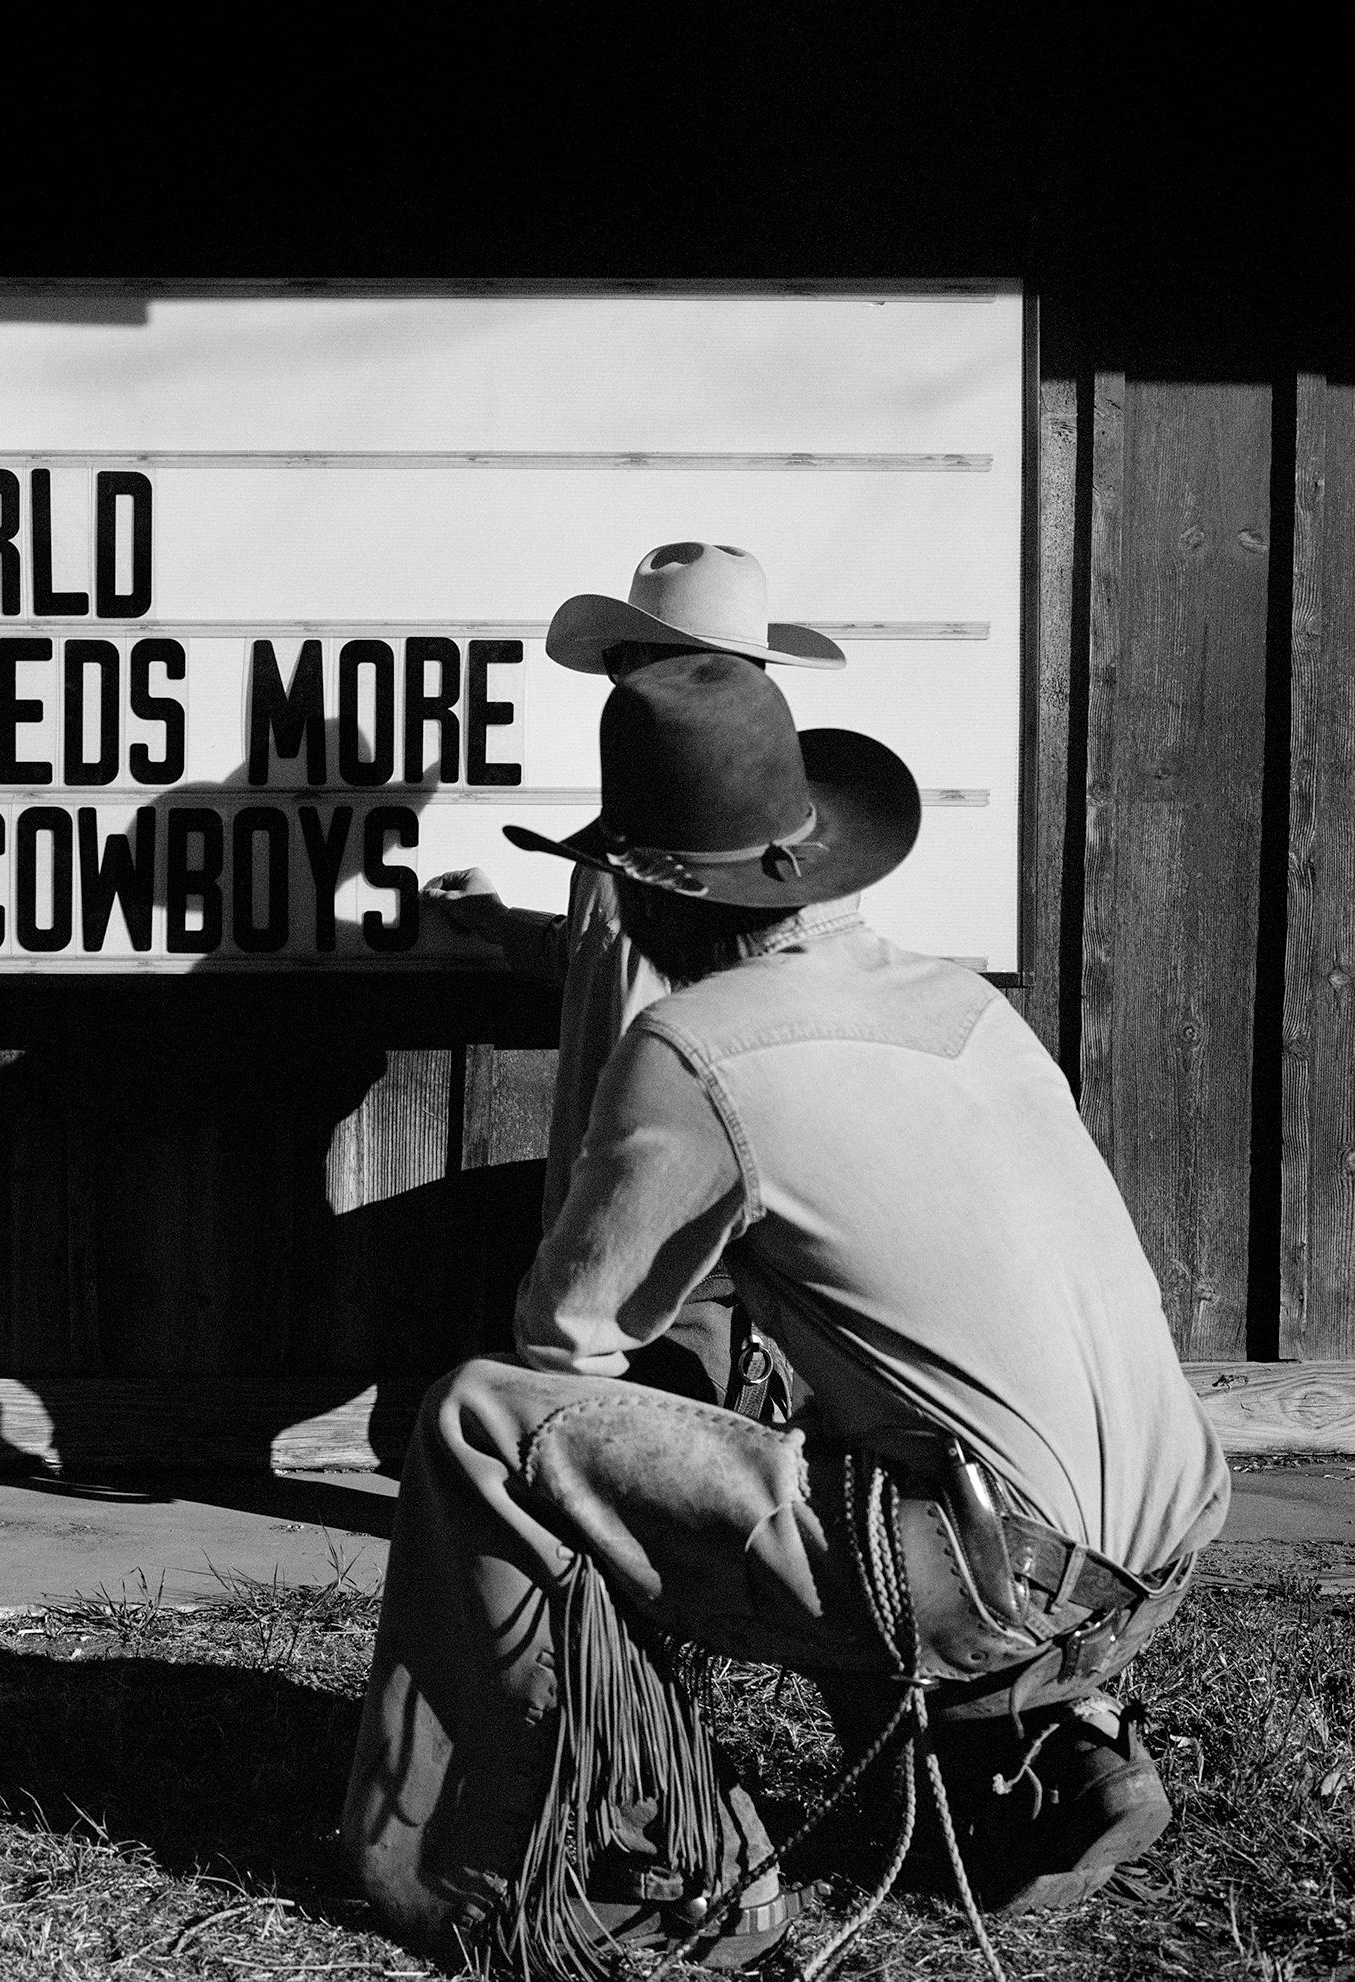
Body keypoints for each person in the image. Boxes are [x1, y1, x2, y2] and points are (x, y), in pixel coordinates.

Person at [343, 654, 1228, 1977]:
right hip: (1162, 1537)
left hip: (991, 1563)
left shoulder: (695, 1046)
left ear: (641, 890)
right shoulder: (965, 1003)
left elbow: (564, 1348)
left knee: (485, 1426)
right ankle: (1049, 1759)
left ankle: (591, 1858)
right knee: (838, 1423)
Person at [425, 543, 841, 1413]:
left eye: (629, 660)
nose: (619, 681)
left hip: (661, 1231)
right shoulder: (740, 843)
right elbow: (607, 964)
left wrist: (608, 1231)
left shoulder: (655, 861)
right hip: (692, 1222)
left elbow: (648, 1038)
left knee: (653, 1450)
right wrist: (503, 926)